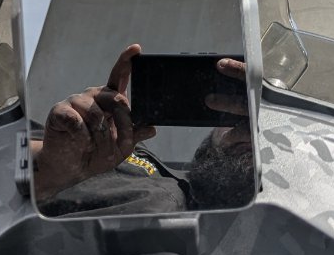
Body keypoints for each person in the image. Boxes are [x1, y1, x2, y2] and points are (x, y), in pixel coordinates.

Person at [31, 44, 255, 216]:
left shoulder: (266, 239)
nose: (250, 129)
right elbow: (10, 161)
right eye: (239, 111)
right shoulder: (113, 148)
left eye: (260, 119)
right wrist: (48, 169)